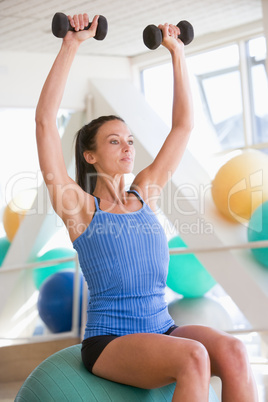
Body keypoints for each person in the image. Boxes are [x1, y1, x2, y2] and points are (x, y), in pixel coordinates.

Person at [36, 13, 258, 402]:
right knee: (193, 357)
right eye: (114, 142)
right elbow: (43, 123)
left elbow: (183, 126)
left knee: (235, 352)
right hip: (111, 340)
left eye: (130, 140)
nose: (127, 147)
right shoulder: (79, 207)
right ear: (89, 156)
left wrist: (177, 52)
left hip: (162, 327)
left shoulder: (145, 193)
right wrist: (70, 46)